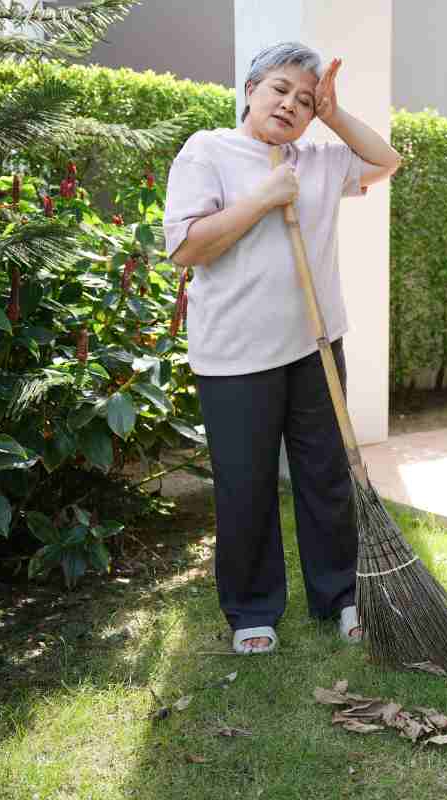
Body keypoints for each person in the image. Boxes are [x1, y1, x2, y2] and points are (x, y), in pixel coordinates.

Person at [163, 42, 401, 654]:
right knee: (246, 486)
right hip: (236, 357)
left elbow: (386, 160)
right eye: (279, 90)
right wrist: (262, 200)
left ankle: (341, 597)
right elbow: (187, 248)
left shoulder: (320, 159)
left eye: (303, 98)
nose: (289, 105)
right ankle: (252, 609)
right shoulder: (207, 151)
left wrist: (335, 114)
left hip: (315, 348)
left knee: (326, 479)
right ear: (249, 89)